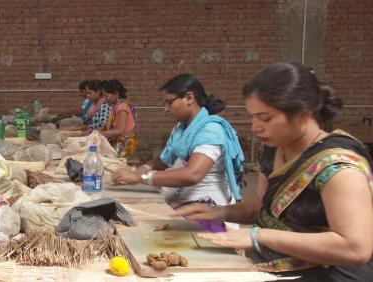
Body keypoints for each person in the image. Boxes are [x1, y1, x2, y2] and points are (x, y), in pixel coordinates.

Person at [177, 62, 373, 280]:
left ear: (302, 114)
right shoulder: (274, 148)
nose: (255, 127)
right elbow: (261, 206)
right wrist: (220, 212)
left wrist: (257, 236)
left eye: (266, 118)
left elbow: (355, 248)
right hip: (272, 265)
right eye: (253, 116)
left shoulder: (339, 165)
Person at [112, 74, 245, 223]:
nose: (166, 110)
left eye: (169, 103)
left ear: (189, 98)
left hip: (205, 208)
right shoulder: (181, 128)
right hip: (180, 203)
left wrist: (141, 177)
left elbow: (193, 174)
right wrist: (143, 168)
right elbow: (164, 160)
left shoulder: (211, 130)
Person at [98, 79, 138, 160]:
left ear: (116, 94)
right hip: (119, 142)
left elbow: (120, 130)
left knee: (104, 158)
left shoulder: (122, 107)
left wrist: (101, 134)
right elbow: (107, 125)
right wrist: (96, 132)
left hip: (126, 144)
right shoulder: (115, 105)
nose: (105, 99)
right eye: (104, 96)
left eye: (107, 96)